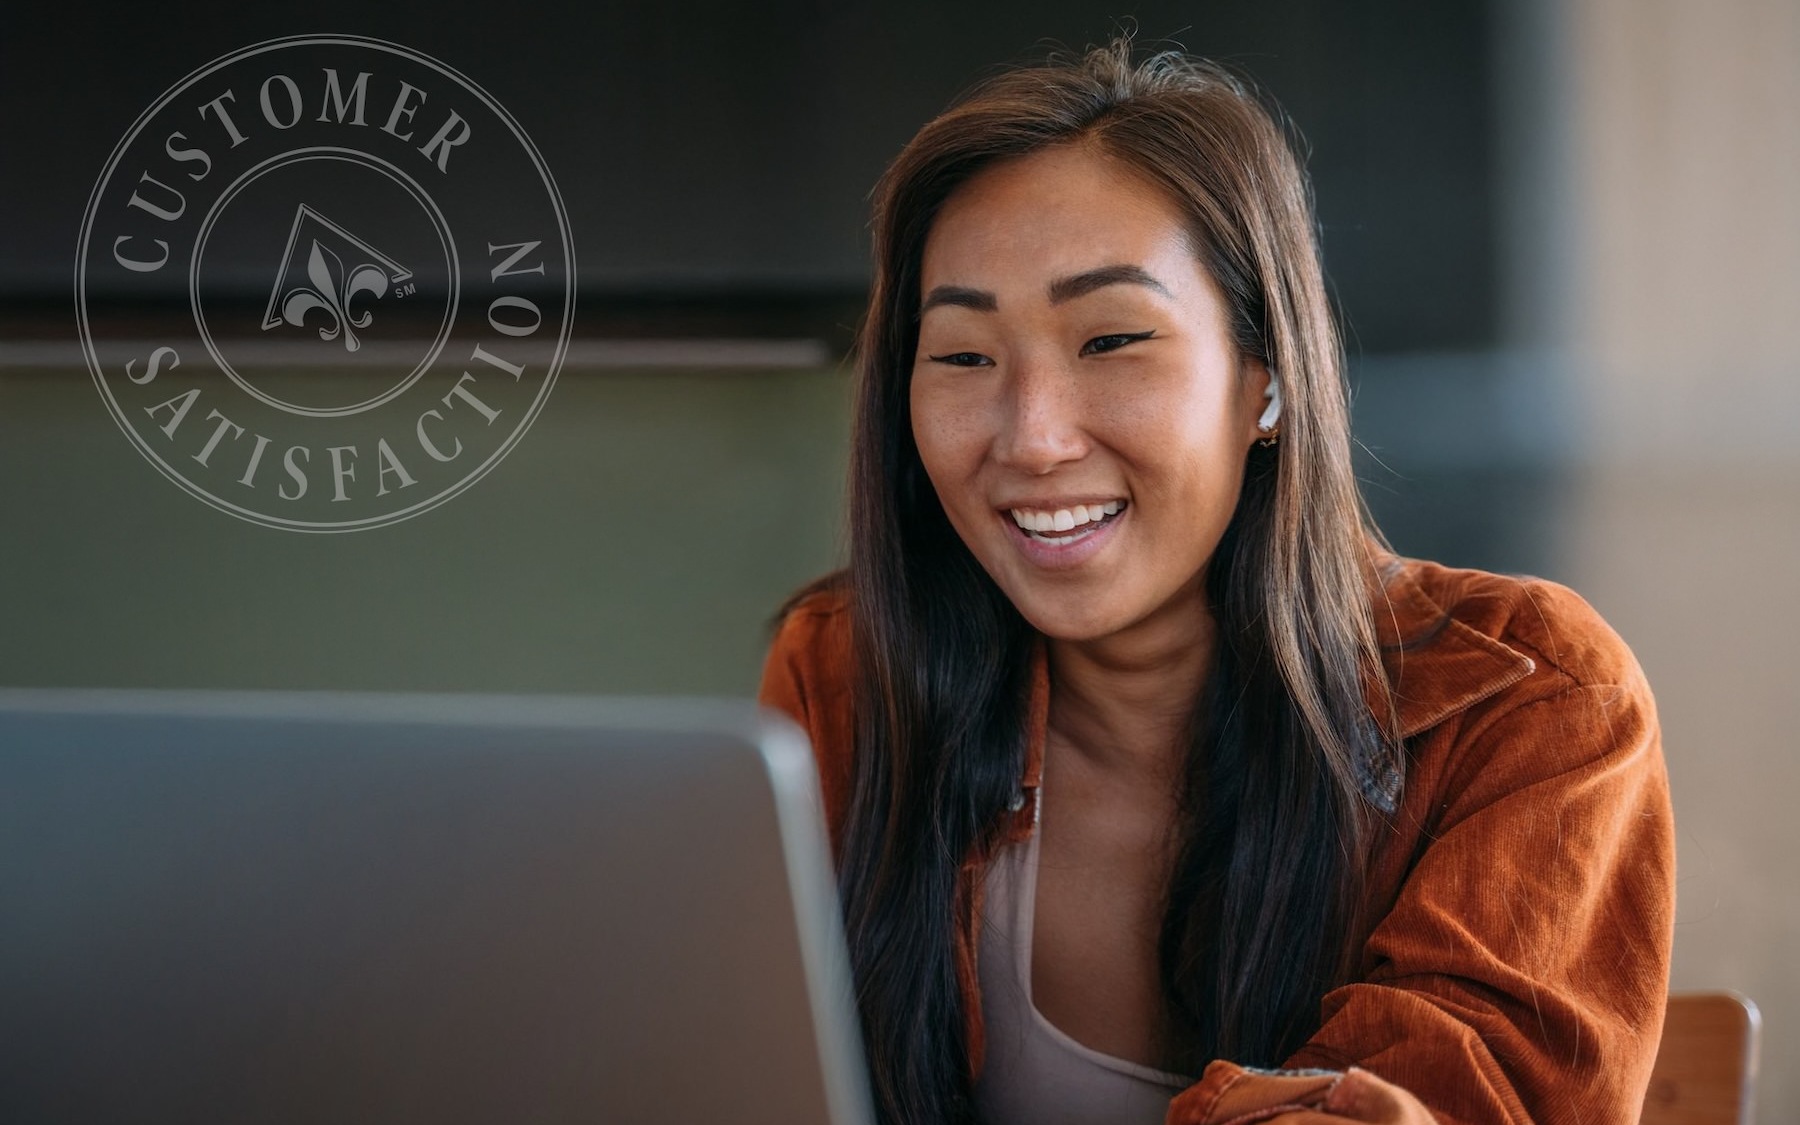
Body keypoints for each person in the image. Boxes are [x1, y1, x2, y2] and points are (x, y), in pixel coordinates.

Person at [759, 39, 1673, 1125]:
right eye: (962, 356)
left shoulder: (1533, 700)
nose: (1034, 437)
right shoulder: (845, 676)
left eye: (1111, 340)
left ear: (1268, 382)